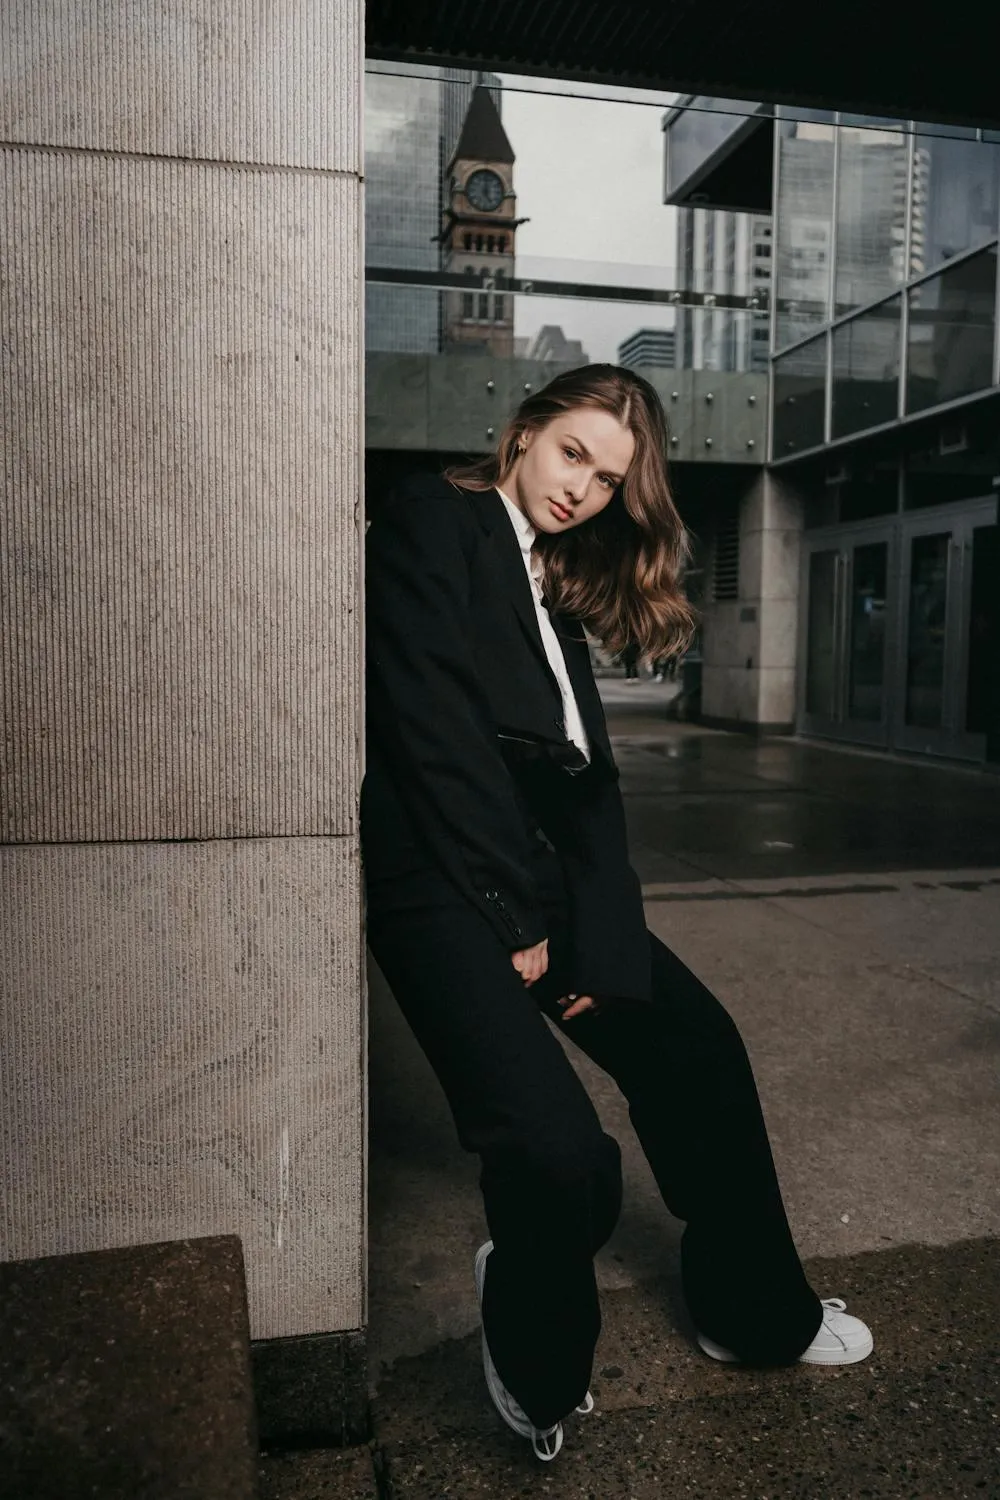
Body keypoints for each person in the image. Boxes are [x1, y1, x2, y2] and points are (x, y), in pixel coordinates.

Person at [362, 365, 872, 1465]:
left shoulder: (550, 574)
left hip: (531, 875)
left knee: (697, 1053)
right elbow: (430, 731)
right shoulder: (434, 519)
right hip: (439, 881)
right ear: (524, 433)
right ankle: (538, 1366)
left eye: (608, 478)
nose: (583, 489)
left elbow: (584, 786)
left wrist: (592, 933)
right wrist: (511, 919)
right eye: (572, 455)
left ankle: (753, 1317)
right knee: (558, 1157)